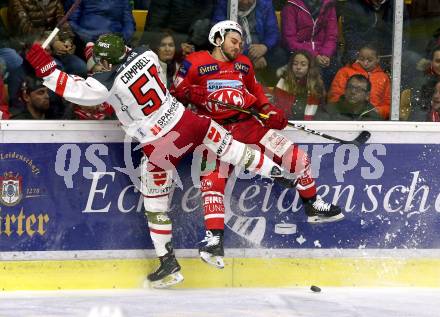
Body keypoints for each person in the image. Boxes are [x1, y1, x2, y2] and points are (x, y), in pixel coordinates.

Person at [25, 33, 295, 288]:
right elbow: (122, 54)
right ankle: (277, 171)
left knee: (156, 206)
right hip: (188, 121)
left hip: (160, 144)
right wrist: (100, 51)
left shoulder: (105, 83)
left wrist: (45, 67)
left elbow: (73, 89)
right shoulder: (148, 55)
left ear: (106, 61)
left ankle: (168, 264)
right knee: (232, 148)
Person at [172, 20, 343, 269]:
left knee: (296, 158)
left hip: (248, 125)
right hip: (215, 132)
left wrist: (268, 110)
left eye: (241, 42)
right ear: (218, 38)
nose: (238, 45)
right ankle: (214, 239)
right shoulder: (195, 61)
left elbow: (256, 92)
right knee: (212, 182)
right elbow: (175, 90)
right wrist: (191, 93)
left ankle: (312, 203)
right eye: (234, 40)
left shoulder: (243, 63)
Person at [328, 42, 391, 120]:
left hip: (373, 119)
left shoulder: (384, 77)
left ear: (377, 59)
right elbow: (335, 96)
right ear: (357, 57)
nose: (365, 63)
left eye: (370, 60)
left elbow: (389, 104)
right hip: (346, 116)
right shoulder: (344, 72)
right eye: (362, 59)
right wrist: (346, 110)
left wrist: (379, 111)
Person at [272, 50, 325, 120]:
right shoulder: (283, 82)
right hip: (285, 124)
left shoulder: (316, 86)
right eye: (295, 64)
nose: (298, 67)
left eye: (303, 64)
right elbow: (276, 108)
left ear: (309, 67)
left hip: (310, 126)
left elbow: (320, 112)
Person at [315, 74, 381, 121]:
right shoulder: (328, 111)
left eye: (359, 89)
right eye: (350, 87)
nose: (353, 92)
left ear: (367, 95)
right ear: (345, 90)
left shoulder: (373, 116)